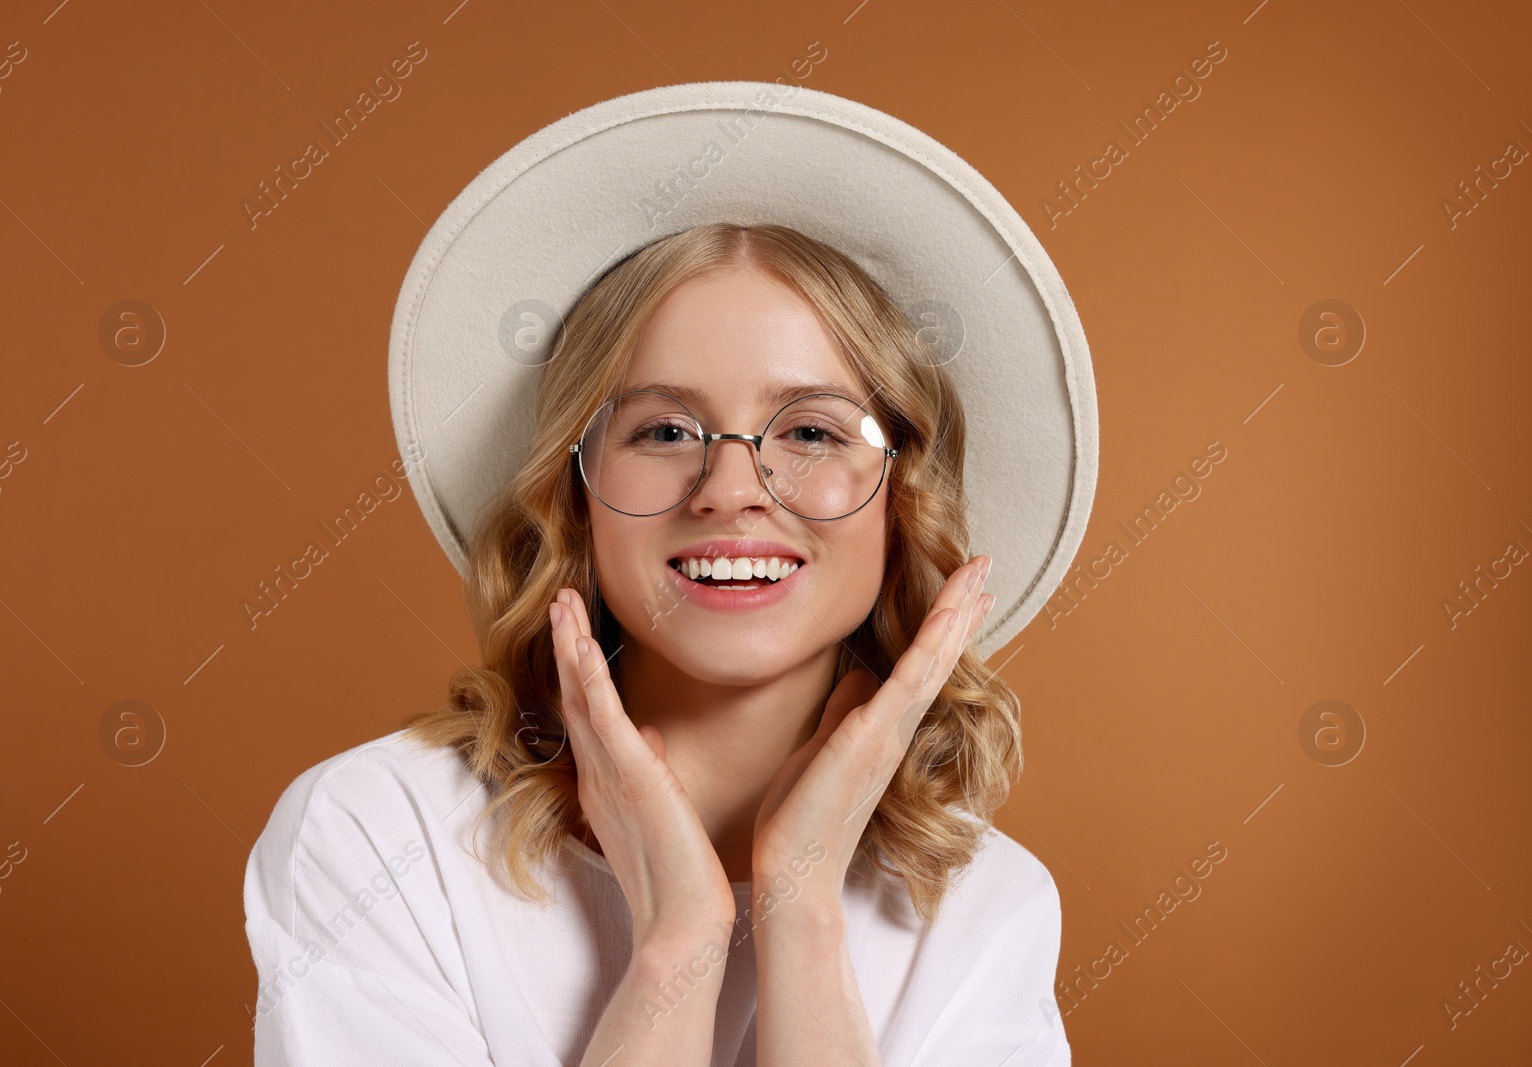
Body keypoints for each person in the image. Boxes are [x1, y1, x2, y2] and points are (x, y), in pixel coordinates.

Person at [244, 222, 1071, 1065]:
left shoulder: (990, 907)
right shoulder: (382, 835)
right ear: (577, 496)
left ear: (902, 498)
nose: (732, 490)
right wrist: (677, 943)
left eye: (813, 432)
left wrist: (804, 909)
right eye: (666, 431)